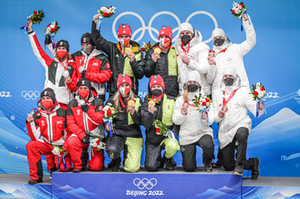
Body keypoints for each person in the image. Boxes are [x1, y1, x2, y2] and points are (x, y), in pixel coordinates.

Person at [212, 67, 263, 179]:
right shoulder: (217, 93)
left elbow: (255, 110)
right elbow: (214, 117)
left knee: (242, 133)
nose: (228, 78)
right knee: (228, 165)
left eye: (231, 76)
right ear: (222, 78)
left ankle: (240, 165)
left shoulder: (244, 91)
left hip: (241, 123)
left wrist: (259, 106)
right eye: (225, 76)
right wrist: (219, 114)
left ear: (235, 78)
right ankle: (252, 163)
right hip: (225, 130)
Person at [27, 19, 77, 110]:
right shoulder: (50, 63)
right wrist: (30, 32)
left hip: (64, 104)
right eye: (59, 48)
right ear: (56, 51)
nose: (61, 51)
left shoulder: (73, 66)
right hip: (48, 103)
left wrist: (69, 82)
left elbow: (74, 88)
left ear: (67, 51)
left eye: (63, 49)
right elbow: (38, 51)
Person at [91, 14, 144, 97]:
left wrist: (133, 61)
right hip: (115, 90)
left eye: (126, 36)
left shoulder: (137, 52)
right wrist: (95, 23)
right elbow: (97, 40)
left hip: (131, 92)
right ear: (118, 37)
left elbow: (140, 75)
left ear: (130, 37)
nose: (124, 39)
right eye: (121, 36)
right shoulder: (113, 48)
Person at [26, 88, 71, 184]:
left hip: (60, 145)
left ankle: (57, 166)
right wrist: (30, 123)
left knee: (64, 168)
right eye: (43, 98)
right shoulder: (37, 114)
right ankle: (36, 176)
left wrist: (65, 146)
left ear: (53, 99)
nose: (45, 101)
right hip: (46, 145)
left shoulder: (63, 112)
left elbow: (69, 133)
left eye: (48, 98)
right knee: (31, 145)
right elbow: (35, 137)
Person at [173, 71, 214, 172]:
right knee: (189, 168)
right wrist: (182, 113)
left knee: (208, 144)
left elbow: (211, 120)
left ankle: (208, 161)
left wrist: (205, 117)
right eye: (190, 82)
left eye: (195, 82)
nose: (192, 84)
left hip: (202, 132)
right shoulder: (180, 100)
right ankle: (188, 161)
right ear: (186, 84)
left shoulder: (205, 100)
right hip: (187, 135)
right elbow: (176, 121)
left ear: (199, 84)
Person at [206, 13, 256, 93]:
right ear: (212, 41)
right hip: (220, 94)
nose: (218, 39)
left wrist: (246, 23)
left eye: (220, 38)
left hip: (239, 90)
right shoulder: (211, 56)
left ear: (225, 38)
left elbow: (251, 42)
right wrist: (212, 66)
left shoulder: (235, 49)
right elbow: (210, 80)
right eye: (215, 38)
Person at [105, 74, 143, 173]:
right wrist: (106, 124)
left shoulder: (137, 100)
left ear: (130, 87)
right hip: (117, 134)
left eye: (126, 85)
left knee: (132, 168)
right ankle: (116, 159)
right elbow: (104, 116)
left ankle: (127, 158)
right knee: (112, 151)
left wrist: (134, 113)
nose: (124, 88)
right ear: (118, 87)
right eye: (122, 85)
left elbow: (140, 123)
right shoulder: (112, 100)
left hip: (133, 134)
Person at [141, 75, 180, 171]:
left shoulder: (172, 100)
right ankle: (158, 158)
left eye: (158, 86)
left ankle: (168, 158)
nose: (156, 89)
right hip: (152, 140)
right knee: (151, 167)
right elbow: (146, 124)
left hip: (167, 136)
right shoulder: (146, 102)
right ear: (150, 88)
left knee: (173, 146)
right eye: (154, 87)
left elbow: (177, 121)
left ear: (163, 87)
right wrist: (150, 114)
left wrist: (174, 133)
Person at [65, 78, 105, 172]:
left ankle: (96, 158)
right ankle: (78, 165)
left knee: (96, 167)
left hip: (95, 136)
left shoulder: (98, 102)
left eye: (85, 88)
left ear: (90, 89)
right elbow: (71, 123)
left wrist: (88, 110)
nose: (83, 90)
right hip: (80, 135)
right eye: (81, 88)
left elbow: (99, 120)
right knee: (71, 142)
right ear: (77, 90)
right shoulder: (72, 104)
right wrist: (82, 135)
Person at [71, 33, 111, 101]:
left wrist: (87, 75)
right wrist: (50, 45)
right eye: (83, 45)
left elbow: (106, 76)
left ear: (92, 44)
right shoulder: (77, 55)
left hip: (98, 93)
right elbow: (62, 59)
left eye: (87, 44)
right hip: (80, 93)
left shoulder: (102, 58)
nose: (85, 47)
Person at [174, 22, 210, 96]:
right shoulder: (177, 45)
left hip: (200, 90)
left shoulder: (202, 47)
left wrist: (190, 63)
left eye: (187, 33)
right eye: (182, 33)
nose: (185, 35)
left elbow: (205, 69)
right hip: (184, 91)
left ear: (192, 34)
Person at [143, 26, 178, 98]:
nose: (164, 39)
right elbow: (147, 73)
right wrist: (153, 62)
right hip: (156, 90)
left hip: (172, 92)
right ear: (159, 38)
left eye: (166, 37)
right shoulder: (152, 51)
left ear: (170, 39)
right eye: (162, 37)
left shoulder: (176, 50)